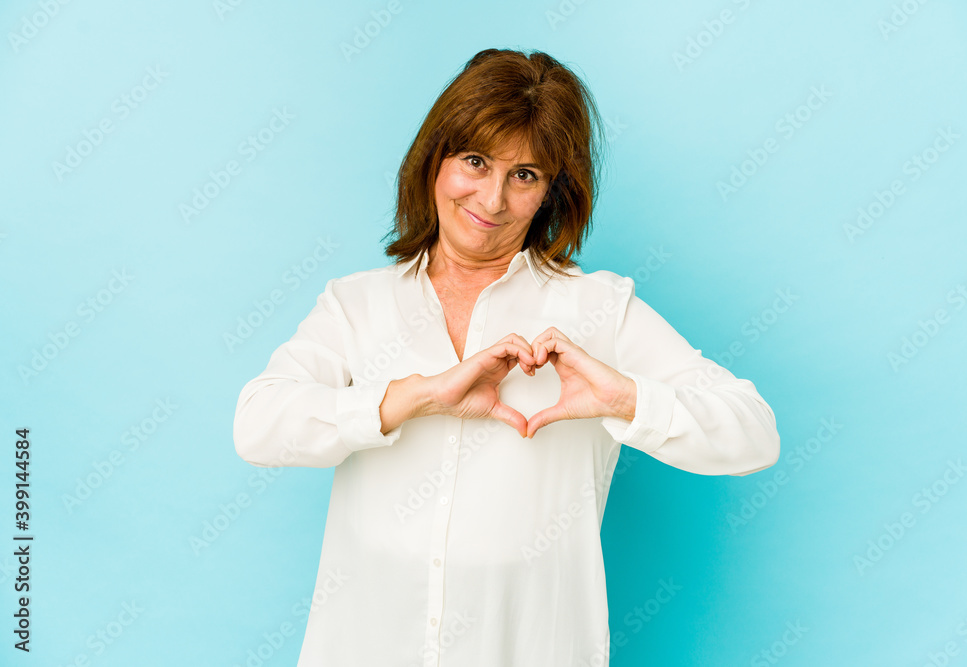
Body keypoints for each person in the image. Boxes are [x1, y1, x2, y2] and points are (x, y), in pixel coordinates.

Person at [233, 47, 780, 667]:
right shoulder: (356, 304)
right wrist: (414, 396)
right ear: (434, 161)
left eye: (525, 175)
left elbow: (754, 433)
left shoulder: (598, 310)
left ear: (552, 193)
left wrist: (627, 399)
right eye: (474, 161)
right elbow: (257, 424)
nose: (491, 199)